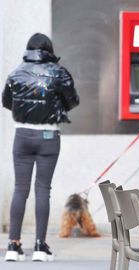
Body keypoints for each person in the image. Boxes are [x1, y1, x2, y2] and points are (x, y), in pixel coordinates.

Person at [2, 33, 79, 262]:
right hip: (48, 136)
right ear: (49, 50)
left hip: (22, 134)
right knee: (42, 189)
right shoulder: (59, 72)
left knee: (20, 189)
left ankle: (13, 247)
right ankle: (39, 246)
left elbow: (6, 101)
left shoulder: (16, 72)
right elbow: (73, 100)